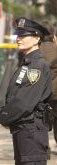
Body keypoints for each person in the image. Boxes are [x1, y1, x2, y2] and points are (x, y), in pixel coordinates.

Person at [0, 17, 52, 165]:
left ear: (36, 38)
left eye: (23, 35)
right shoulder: (27, 63)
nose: (18, 39)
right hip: (23, 129)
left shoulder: (36, 66)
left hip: (31, 131)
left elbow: (24, 102)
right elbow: (15, 95)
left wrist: (4, 115)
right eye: (18, 35)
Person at [40, 20, 57, 154]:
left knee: (41, 122)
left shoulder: (35, 51)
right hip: (56, 93)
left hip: (40, 93)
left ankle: (44, 150)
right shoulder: (56, 48)